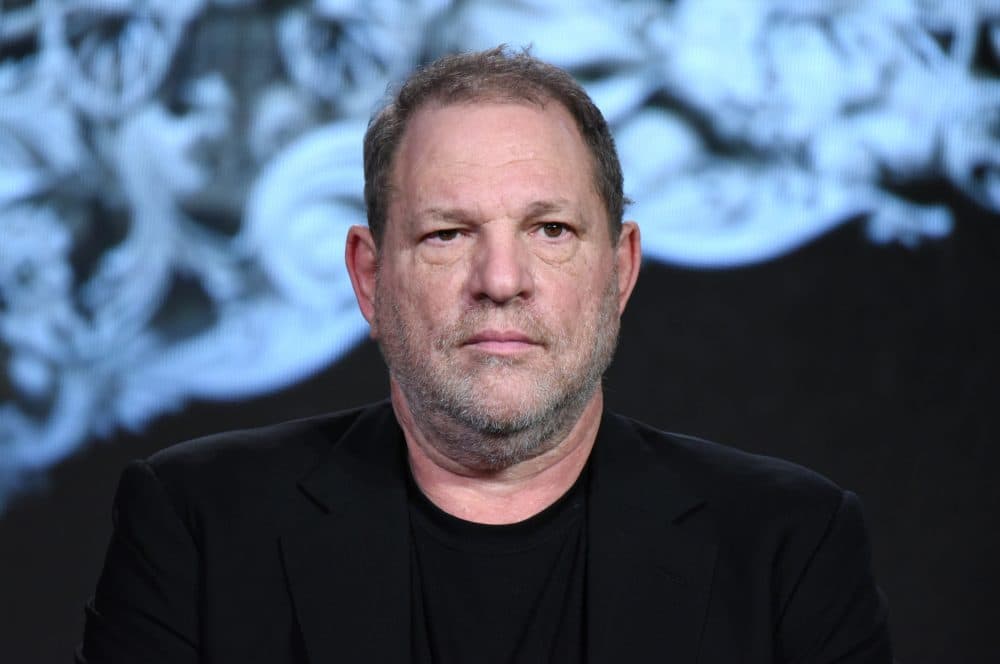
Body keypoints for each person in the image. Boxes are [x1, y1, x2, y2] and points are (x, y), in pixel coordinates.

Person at [78, 47, 892, 663]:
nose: (501, 281)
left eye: (551, 230)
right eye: (447, 234)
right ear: (368, 278)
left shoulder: (789, 548)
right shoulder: (197, 529)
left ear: (619, 272)